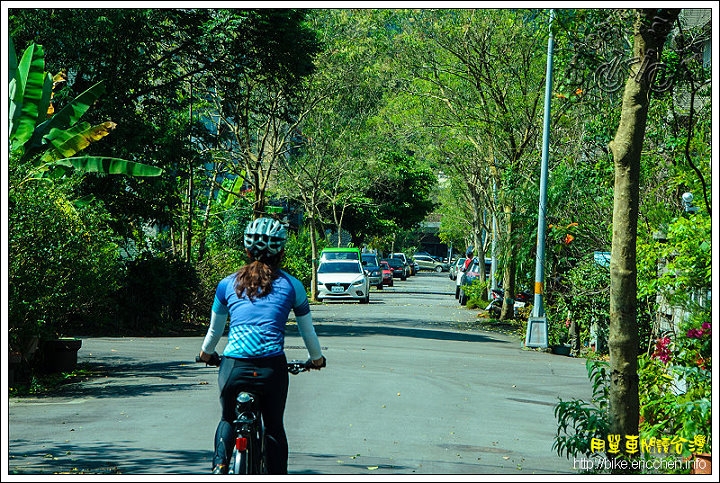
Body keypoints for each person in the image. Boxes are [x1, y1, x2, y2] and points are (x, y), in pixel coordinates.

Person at [198, 217, 326, 475]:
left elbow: (214, 331)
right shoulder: (293, 286)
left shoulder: (226, 285)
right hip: (271, 369)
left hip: (234, 366)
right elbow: (307, 331)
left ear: (246, 250)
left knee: (227, 419)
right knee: (274, 426)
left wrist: (205, 354)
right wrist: (316, 359)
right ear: (281, 251)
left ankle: (220, 467)